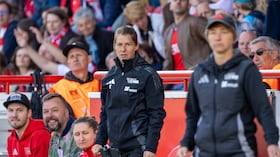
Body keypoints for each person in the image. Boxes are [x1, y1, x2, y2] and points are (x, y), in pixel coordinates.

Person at [177, 13, 280, 157]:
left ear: (234, 37)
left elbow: (263, 109)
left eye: (223, 32)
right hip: (203, 151)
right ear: (207, 37)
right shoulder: (199, 72)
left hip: (238, 150)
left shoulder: (246, 70)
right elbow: (193, 114)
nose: (217, 37)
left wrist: (272, 142)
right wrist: (186, 143)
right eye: (213, 33)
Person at [92, 26, 166, 157]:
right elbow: (105, 114)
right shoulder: (109, 77)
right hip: (114, 149)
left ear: (136, 46)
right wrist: (99, 141)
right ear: (114, 46)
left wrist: (150, 147)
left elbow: (156, 114)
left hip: (138, 148)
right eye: (119, 44)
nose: (123, 49)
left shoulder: (148, 74)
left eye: (128, 44)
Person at [163, 0, 211, 89]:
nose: (178, 2)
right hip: (175, 85)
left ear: (189, 4)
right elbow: (168, 63)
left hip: (195, 81)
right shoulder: (168, 32)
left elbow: (216, 43)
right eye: (174, 0)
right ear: (170, 6)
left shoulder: (196, 22)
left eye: (182, 0)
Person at [49, 38, 99, 118]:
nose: (75, 59)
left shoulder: (99, 83)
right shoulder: (59, 88)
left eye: (79, 55)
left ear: (89, 59)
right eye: (71, 57)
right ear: (68, 62)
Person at [42, 93, 81, 157]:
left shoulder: (78, 134)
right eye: (46, 111)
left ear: (66, 113)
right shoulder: (55, 136)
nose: (49, 115)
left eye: (55, 110)